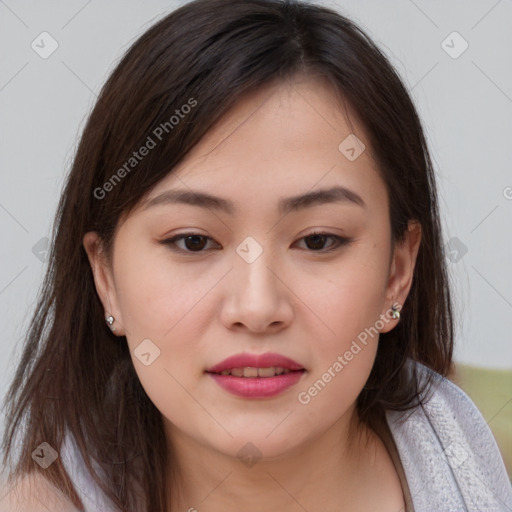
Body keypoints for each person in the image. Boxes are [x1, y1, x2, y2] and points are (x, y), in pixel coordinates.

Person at [1, 0, 511, 511]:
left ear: (397, 273)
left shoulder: (486, 467)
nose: (257, 307)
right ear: (105, 276)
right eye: (193, 241)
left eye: (317, 240)